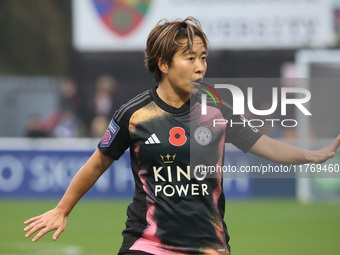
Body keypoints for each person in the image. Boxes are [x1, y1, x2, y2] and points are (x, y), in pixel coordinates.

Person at [24, 17, 340, 255]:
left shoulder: (217, 110)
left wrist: (312, 154)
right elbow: (96, 164)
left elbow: (266, 145)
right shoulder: (134, 115)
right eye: (190, 58)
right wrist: (62, 209)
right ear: (163, 63)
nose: (200, 66)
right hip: (147, 241)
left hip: (207, 244)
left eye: (203, 57)